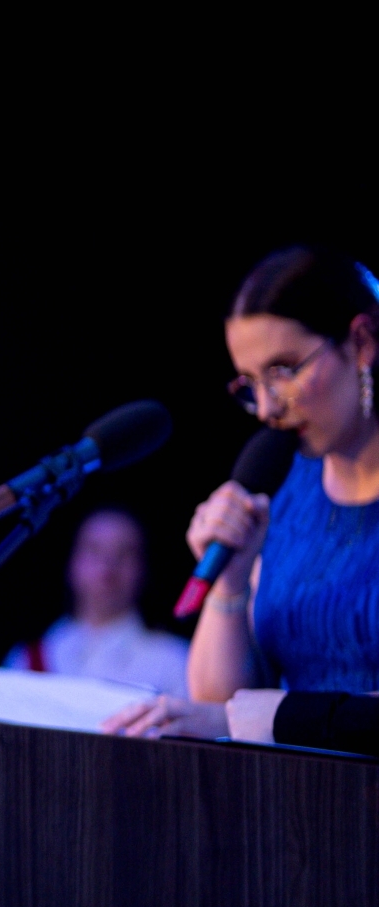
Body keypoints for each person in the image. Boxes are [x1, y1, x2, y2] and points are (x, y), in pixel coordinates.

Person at [105, 248, 379, 742]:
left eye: (284, 370)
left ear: (360, 343)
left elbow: (243, 719)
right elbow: (219, 709)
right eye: (251, 383)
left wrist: (274, 718)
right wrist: (229, 585)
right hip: (288, 789)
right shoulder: (286, 486)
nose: (267, 408)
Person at [4, 508, 189, 695]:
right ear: (72, 562)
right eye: (94, 551)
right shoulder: (28, 659)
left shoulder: (173, 661)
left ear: (143, 569)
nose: (107, 569)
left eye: (124, 554)